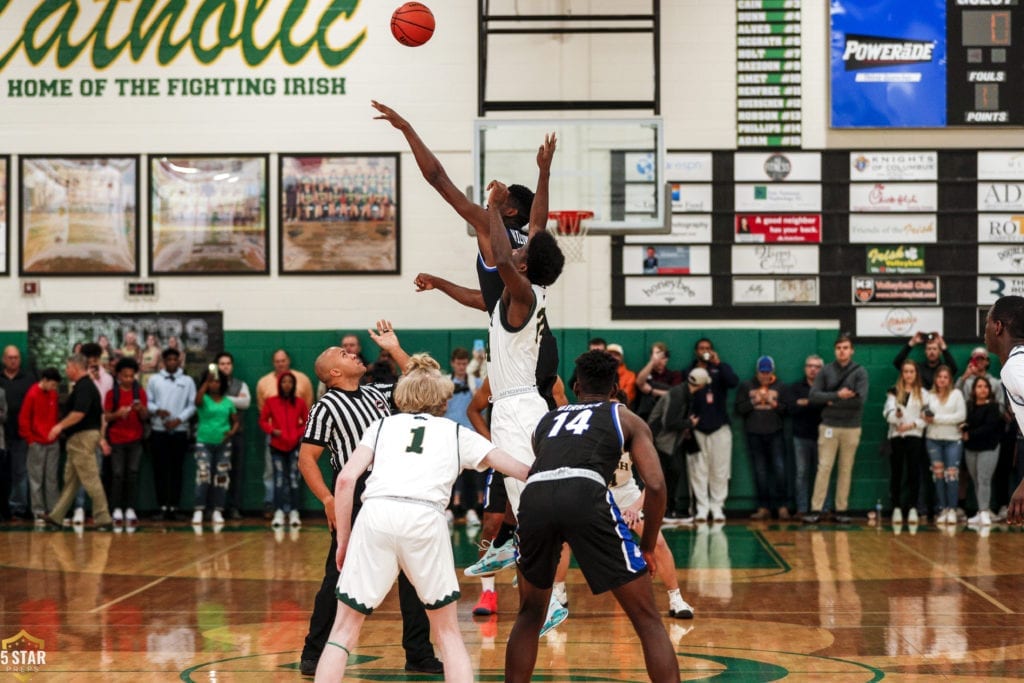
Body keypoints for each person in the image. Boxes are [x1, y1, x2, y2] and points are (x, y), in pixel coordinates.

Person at [313, 354, 530, 683]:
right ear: (443, 398)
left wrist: (344, 540)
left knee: (343, 630)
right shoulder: (456, 432)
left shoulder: (381, 425)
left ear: (403, 396)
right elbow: (518, 469)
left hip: (376, 514)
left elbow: (345, 480)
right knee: (448, 634)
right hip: (425, 517)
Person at [505, 350, 679, 683]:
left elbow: (544, 470)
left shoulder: (547, 421)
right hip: (584, 492)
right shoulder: (625, 417)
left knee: (529, 614)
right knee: (648, 620)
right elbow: (656, 485)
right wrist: (645, 545)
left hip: (534, 497)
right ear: (615, 386)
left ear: (576, 385)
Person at [296, 321, 442, 677]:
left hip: (396, 488)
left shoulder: (377, 394)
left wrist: (393, 346)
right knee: (340, 576)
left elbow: (418, 378)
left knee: (413, 575)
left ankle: (419, 654)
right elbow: (306, 458)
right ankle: (313, 652)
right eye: (344, 354)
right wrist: (329, 500)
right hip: (356, 495)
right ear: (333, 372)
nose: (354, 353)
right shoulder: (326, 407)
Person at [804, 333, 869, 525]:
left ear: (852, 350)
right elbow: (814, 396)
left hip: (851, 427)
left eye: (846, 348)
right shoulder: (825, 371)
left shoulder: (860, 372)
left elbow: (860, 401)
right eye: (839, 348)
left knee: (845, 469)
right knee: (824, 467)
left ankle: (841, 510)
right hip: (828, 426)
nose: (842, 351)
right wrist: (838, 395)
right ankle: (816, 509)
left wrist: (832, 401)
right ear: (835, 350)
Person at [43, 354, 113, 531]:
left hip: (82, 438)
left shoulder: (84, 387)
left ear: (75, 367)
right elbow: (100, 416)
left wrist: (59, 427)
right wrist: (101, 437)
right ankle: (57, 516)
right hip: (82, 438)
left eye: (67, 368)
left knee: (90, 478)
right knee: (72, 481)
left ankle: (103, 518)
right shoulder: (86, 386)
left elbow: (79, 413)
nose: (66, 371)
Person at [256, 349, 314, 519]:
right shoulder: (266, 388)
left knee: (294, 475)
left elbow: (308, 415)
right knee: (275, 474)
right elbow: (263, 417)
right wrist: (272, 430)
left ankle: (292, 508)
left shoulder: (302, 383)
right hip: (275, 441)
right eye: (277, 361)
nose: (281, 363)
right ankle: (275, 507)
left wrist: (298, 432)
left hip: (297, 440)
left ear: (288, 361)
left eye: (283, 360)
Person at [688, 339, 739, 522]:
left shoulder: (720, 369)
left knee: (720, 469)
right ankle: (702, 507)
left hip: (720, 426)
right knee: (698, 470)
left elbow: (733, 382)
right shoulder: (690, 371)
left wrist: (718, 364)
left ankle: (717, 506)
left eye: (708, 348)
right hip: (697, 428)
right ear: (696, 351)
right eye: (701, 348)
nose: (705, 352)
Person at [735, 355, 788, 520]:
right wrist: (754, 401)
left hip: (775, 432)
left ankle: (782, 506)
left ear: (772, 371)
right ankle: (763, 506)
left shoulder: (780, 386)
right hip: (754, 433)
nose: (765, 375)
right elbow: (739, 409)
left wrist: (775, 405)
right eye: (762, 372)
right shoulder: (747, 386)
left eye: (768, 372)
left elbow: (787, 410)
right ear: (757, 372)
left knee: (780, 469)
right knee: (760, 471)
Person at [147, 348, 197, 521]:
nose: (172, 363)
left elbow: (192, 405)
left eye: (175, 360)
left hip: (180, 431)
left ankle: (174, 507)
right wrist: (157, 411)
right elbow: (149, 401)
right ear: (163, 361)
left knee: (177, 470)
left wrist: (179, 420)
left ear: (180, 361)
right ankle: (162, 506)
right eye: (169, 360)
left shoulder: (188, 381)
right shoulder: (154, 379)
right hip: (159, 430)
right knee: (160, 470)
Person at [103, 357, 149, 528]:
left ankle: (130, 507)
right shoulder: (111, 393)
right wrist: (118, 414)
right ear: (119, 376)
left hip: (135, 439)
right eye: (125, 376)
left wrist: (141, 410)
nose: (128, 379)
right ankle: (115, 508)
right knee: (117, 474)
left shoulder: (140, 393)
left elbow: (145, 417)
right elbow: (107, 416)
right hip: (116, 439)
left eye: (131, 376)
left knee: (133, 473)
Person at [191, 368, 240, 526]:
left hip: (223, 444)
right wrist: (206, 381)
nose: (214, 384)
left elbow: (236, 421)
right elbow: (196, 401)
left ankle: (217, 510)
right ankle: (199, 510)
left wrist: (231, 432)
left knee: (221, 477)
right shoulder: (203, 399)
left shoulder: (228, 402)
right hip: (204, 442)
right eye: (212, 381)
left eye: (217, 381)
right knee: (203, 475)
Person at [882, 360, 928, 525]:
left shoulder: (923, 393)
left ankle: (913, 508)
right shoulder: (893, 392)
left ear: (916, 374)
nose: (908, 375)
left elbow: (927, 416)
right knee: (896, 473)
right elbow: (887, 413)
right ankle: (896, 508)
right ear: (902, 374)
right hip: (897, 436)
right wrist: (897, 417)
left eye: (911, 372)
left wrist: (912, 424)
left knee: (913, 473)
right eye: (906, 372)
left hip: (914, 436)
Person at [782, 355, 824, 516]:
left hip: (823, 436)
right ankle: (802, 508)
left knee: (822, 473)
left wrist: (806, 402)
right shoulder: (795, 387)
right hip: (801, 436)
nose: (813, 369)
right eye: (810, 366)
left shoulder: (826, 387)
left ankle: (823, 509)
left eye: (816, 366)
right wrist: (814, 403)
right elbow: (791, 409)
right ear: (805, 368)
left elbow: (827, 407)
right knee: (801, 473)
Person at [445, 347, 483, 525]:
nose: (461, 366)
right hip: (450, 434)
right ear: (453, 364)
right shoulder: (446, 384)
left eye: (464, 363)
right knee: (452, 473)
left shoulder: (476, 383)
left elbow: (483, 404)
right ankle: (450, 509)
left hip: (472, 433)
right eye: (458, 363)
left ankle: (473, 510)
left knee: (475, 473)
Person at [924, 366, 966, 526]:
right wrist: (932, 419)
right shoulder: (929, 396)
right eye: (939, 377)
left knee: (952, 475)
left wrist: (937, 419)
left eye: (945, 377)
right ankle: (942, 508)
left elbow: (960, 416)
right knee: (939, 476)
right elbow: (926, 416)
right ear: (936, 379)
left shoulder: (957, 395)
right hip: (933, 439)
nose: (942, 379)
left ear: (950, 380)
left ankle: (952, 509)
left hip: (952, 440)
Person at [18, 368, 61, 524]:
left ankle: (55, 510)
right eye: (53, 384)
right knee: (36, 478)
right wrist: (30, 439)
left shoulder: (53, 395)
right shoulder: (32, 394)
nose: (54, 388)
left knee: (51, 478)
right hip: (36, 441)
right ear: (44, 380)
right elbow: (24, 419)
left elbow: (55, 415)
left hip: (52, 442)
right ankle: (38, 511)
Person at [2, 345, 36, 521]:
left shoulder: (29, 379)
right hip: (1, 435)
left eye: (16, 357)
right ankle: (4, 509)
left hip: (21, 434)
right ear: (3, 359)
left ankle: (18, 508)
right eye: (10, 357)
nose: (13, 360)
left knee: (21, 472)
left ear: (20, 360)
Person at [963, 377, 1003, 526]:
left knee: (984, 479)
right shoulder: (969, 406)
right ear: (973, 390)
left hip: (989, 447)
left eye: (985, 386)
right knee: (976, 480)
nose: (982, 389)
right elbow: (965, 422)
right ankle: (980, 512)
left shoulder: (993, 406)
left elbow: (989, 427)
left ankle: (985, 512)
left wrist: (970, 434)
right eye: (979, 386)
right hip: (971, 448)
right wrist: (963, 429)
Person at [217, 352, 252, 520]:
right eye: (222, 363)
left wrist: (223, 398)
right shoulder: (212, 384)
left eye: (228, 363)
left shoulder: (240, 384)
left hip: (236, 434)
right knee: (218, 472)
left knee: (236, 472)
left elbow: (245, 403)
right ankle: (218, 508)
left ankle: (234, 508)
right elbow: (207, 401)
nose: (225, 366)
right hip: (216, 435)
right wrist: (234, 399)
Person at [634, 341, 683, 421]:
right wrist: (653, 362)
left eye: (662, 356)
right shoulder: (644, 373)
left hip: (666, 417)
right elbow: (639, 382)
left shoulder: (674, 375)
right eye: (657, 355)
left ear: (667, 358)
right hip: (646, 417)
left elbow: (675, 394)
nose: (659, 359)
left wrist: (652, 391)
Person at [893, 331, 957, 390]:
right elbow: (897, 363)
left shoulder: (944, 369)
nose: (931, 352)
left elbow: (954, 369)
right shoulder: (918, 368)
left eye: (934, 349)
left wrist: (943, 346)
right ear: (925, 352)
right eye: (929, 349)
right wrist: (912, 343)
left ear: (940, 352)